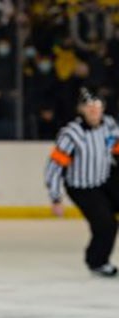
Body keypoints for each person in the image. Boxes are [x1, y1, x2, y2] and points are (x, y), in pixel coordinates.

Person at [45, 87, 119, 276]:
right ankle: (97, 261)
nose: (94, 110)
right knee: (105, 225)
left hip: (105, 179)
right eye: (89, 106)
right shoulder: (71, 134)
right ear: (81, 109)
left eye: (97, 106)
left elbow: (115, 148)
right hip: (82, 187)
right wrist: (55, 197)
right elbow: (54, 167)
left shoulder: (109, 125)